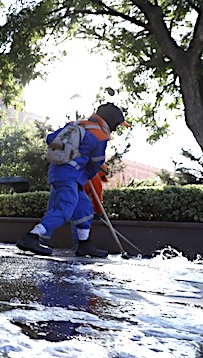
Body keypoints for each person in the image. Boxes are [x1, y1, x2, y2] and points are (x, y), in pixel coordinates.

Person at [16, 103, 129, 257]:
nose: (116, 129)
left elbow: (50, 139)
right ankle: (31, 237)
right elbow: (95, 165)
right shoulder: (100, 136)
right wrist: (85, 173)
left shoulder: (76, 125)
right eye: (117, 125)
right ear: (111, 123)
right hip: (71, 176)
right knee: (64, 209)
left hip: (58, 172)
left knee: (84, 209)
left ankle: (84, 244)